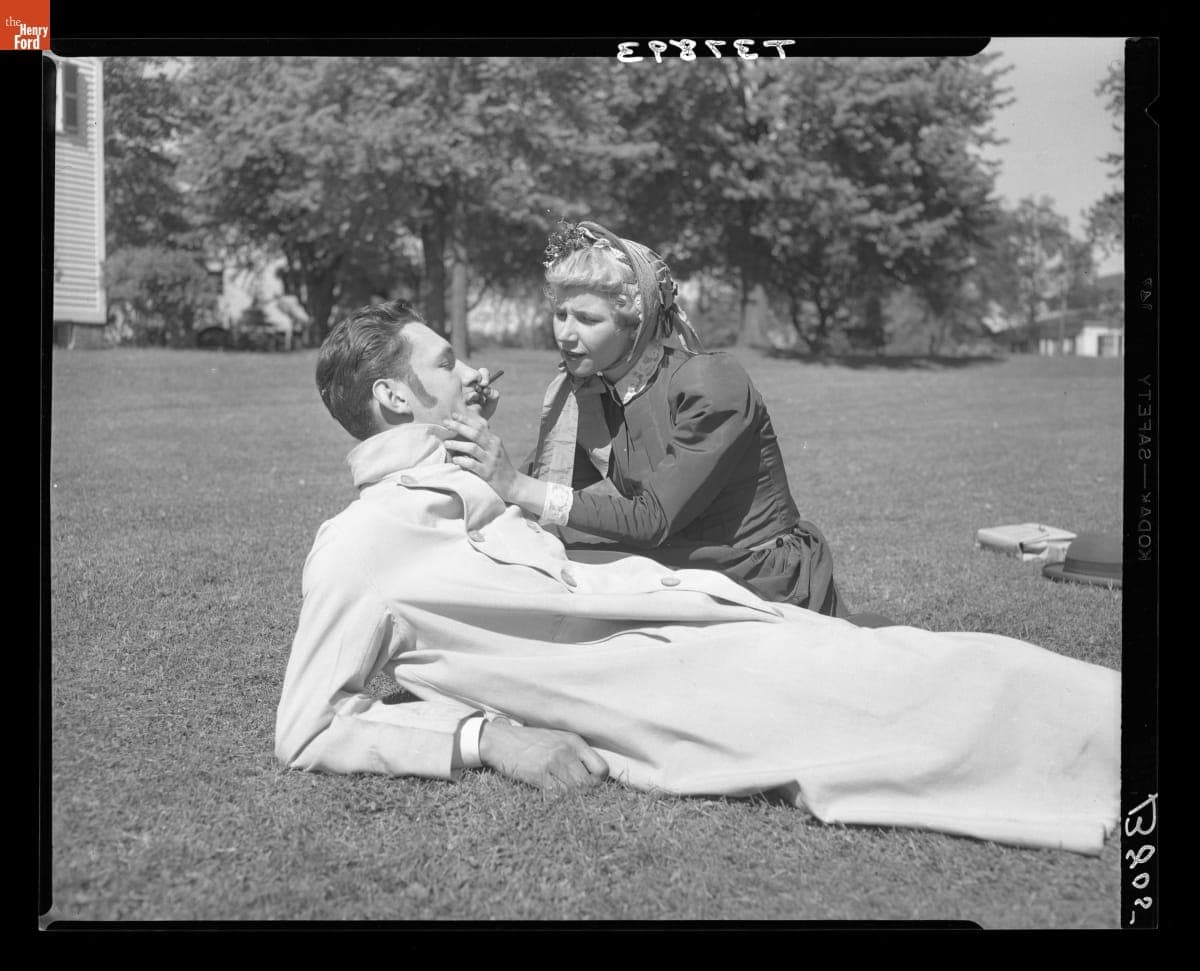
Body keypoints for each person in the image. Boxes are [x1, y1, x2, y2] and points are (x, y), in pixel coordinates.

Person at [276, 299, 1120, 854]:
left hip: (710, 629)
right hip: (678, 689)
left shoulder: (473, 478)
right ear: (395, 398)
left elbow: (563, 527)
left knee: (945, 661)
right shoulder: (363, 541)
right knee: (946, 692)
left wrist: (490, 451)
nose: (473, 373)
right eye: (446, 364)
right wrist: (487, 736)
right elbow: (308, 727)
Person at [444, 220, 854, 619]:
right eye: (561, 313)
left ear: (634, 325)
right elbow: (532, 490)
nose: (565, 334)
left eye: (587, 319)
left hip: (760, 576)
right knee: (541, 561)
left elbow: (651, 519)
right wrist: (474, 420)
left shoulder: (711, 382)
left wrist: (517, 485)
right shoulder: (597, 393)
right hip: (685, 563)